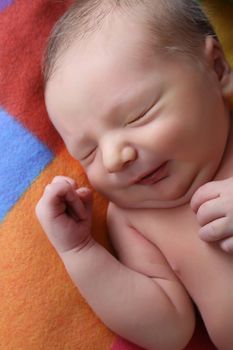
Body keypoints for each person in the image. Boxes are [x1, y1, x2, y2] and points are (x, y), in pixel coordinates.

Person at [36, 1, 233, 349]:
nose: (114, 158)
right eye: (89, 152)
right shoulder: (134, 219)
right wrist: (79, 251)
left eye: (137, 115)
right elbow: (167, 332)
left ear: (216, 68)